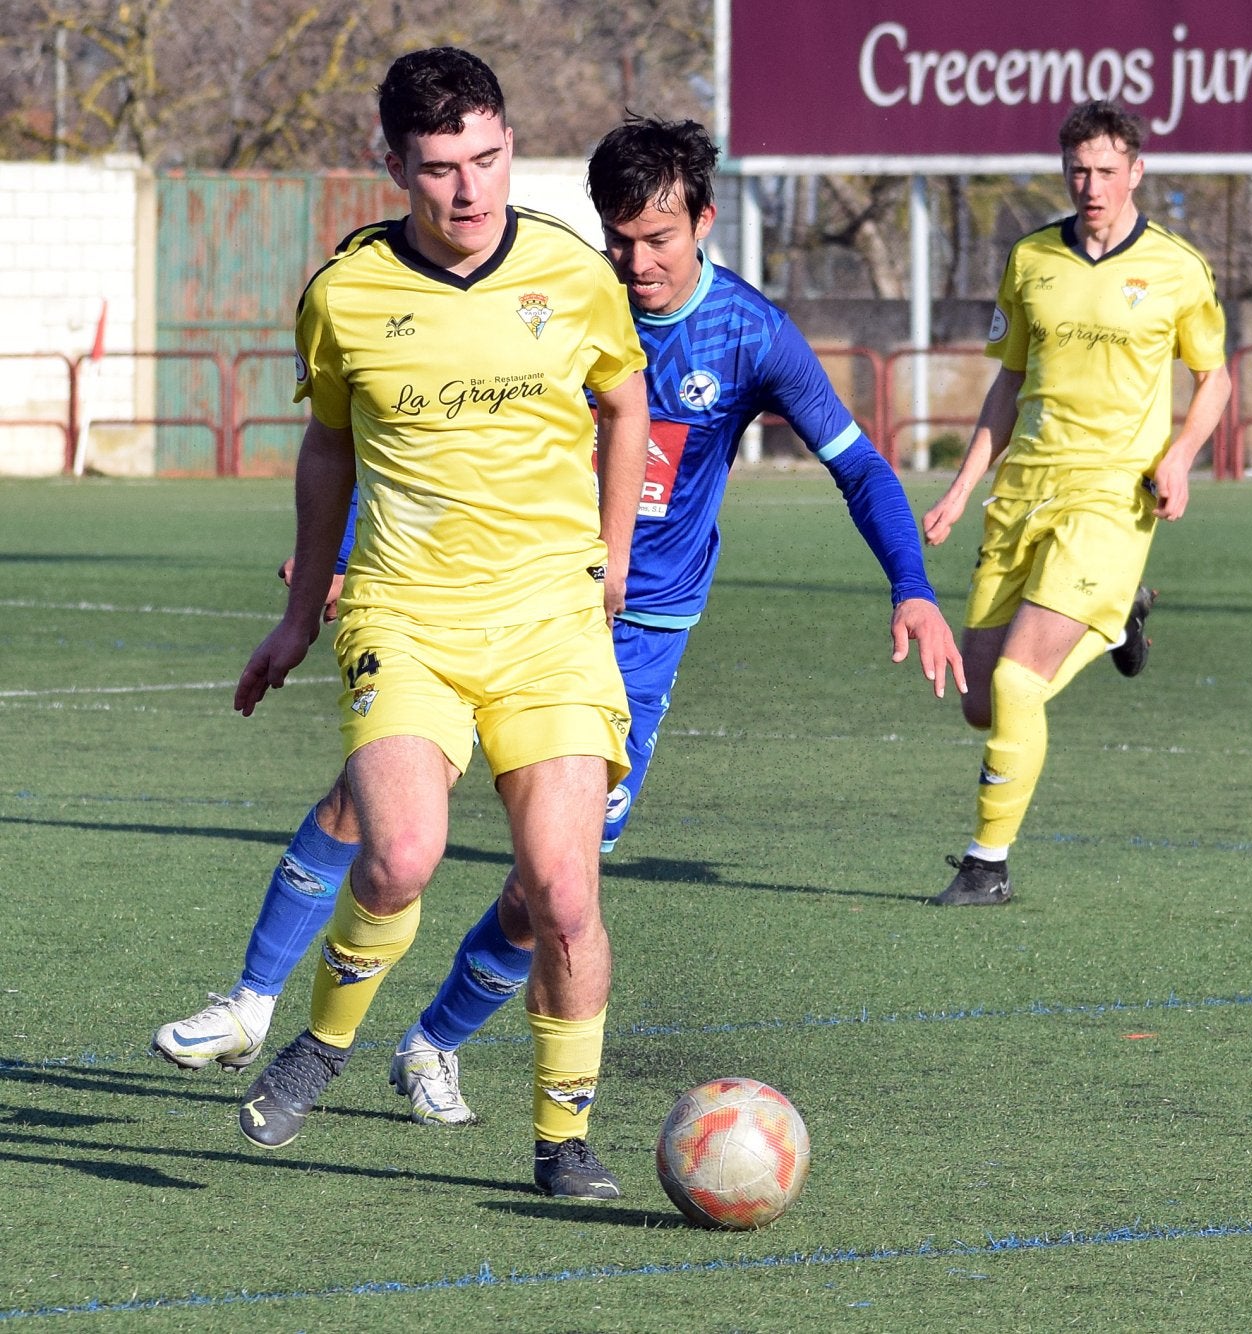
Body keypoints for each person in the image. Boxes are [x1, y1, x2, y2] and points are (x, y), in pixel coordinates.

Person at [154, 116, 965, 1142]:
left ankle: (435, 1039)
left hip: (634, 634)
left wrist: (911, 582)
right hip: (473, 596)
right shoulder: (550, 294)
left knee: (556, 888)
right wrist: (346, 553)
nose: (637, 263)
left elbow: (857, 464)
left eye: (659, 238)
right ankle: (256, 1003)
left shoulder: (749, 334)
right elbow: (413, 435)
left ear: (703, 223)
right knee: (377, 805)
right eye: (618, 240)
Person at [223, 46, 651, 1200]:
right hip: (405, 613)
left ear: (510, 142)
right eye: (441, 168)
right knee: (401, 850)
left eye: (489, 157)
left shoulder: (571, 275)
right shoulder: (345, 292)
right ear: (395, 166)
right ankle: (321, 1044)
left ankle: (561, 1139)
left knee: (563, 891)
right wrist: (297, 611)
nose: (471, 190)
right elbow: (325, 445)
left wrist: (612, 555)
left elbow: (624, 400)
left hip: (549, 622)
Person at [919, 99, 1231, 907]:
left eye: (1104, 170)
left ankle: (987, 863)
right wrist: (960, 489)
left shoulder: (1176, 268)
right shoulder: (1029, 261)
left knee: (1022, 683)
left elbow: (1215, 378)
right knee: (981, 702)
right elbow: (1008, 383)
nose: (1090, 185)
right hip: (1025, 489)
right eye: (1077, 170)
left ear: (1136, 172)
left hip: (1109, 496)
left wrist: (1183, 457)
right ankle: (1119, 619)